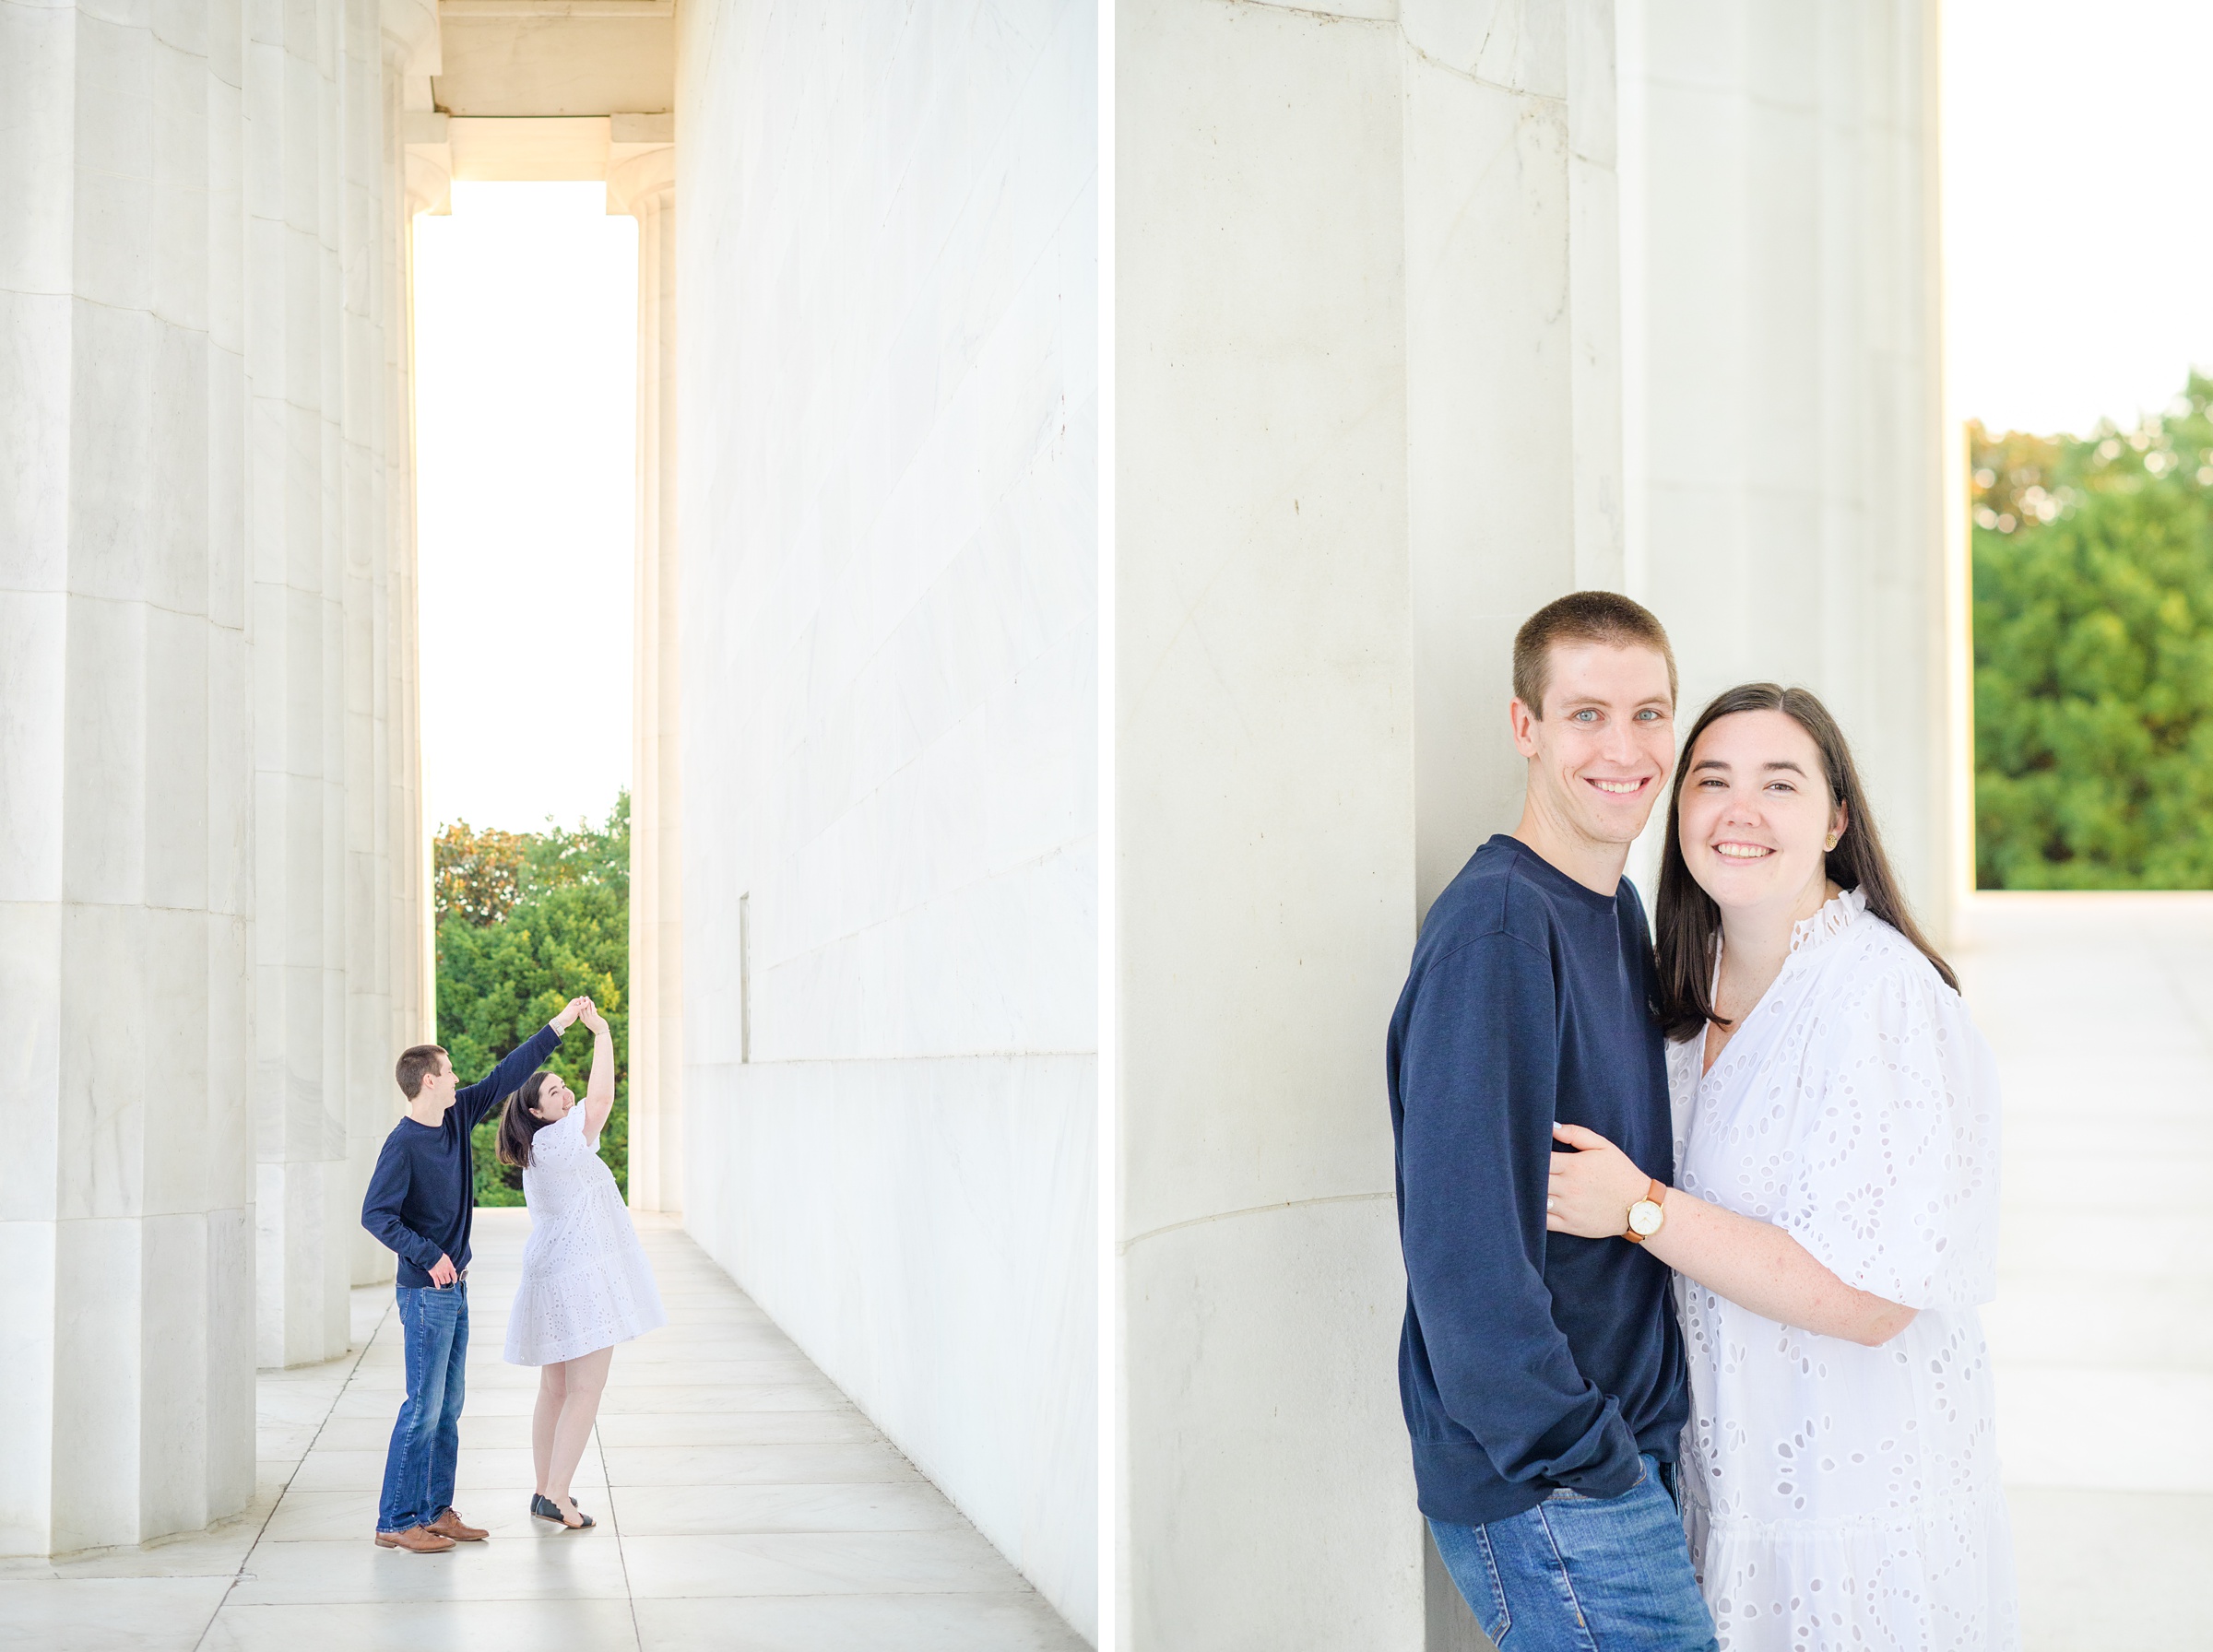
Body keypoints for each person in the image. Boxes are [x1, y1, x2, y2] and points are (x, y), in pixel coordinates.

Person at [1545, 683, 2019, 1649]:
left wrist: (1641, 1209)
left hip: (1853, 1497)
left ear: (1837, 818)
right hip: (1722, 1475)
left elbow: (1876, 1297)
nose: (1740, 810)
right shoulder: (1676, 984)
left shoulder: (1882, 997)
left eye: (1781, 783)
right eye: (1712, 780)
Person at [1389, 592, 1718, 1651]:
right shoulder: (1498, 927)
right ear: (1525, 727)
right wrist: (1592, 1458)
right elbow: (1464, 1262)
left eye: (1649, 713)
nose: (1623, 748)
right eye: (1585, 714)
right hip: (1558, 1485)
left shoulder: (1613, 910)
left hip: (1617, 1451)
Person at [362, 998, 586, 1552]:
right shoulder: (403, 1144)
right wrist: (429, 1255)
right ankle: (395, 1520)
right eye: (450, 1070)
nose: (459, 1077)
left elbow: (506, 1074)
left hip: (455, 1289)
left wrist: (558, 1025)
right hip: (424, 1293)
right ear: (430, 1080)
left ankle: (437, 1511)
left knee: (450, 1405)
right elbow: (376, 1214)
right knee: (423, 1406)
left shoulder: (456, 1113)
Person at [496, 996, 666, 1530]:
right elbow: (601, 1100)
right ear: (536, 1112)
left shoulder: (545, 1148)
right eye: (552, 1091)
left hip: (554, 1275)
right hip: (577, 1279)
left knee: (557, 1389)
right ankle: (558, 1495)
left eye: (561, 1086)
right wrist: (600, 1034)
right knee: (585, 1389)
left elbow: (588, 1105)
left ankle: (545, 1489)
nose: (564, 1092)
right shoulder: (561, 1141)